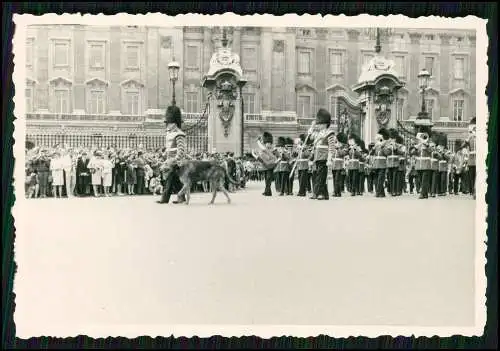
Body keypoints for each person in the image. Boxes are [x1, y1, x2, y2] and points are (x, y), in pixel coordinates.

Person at [157, 105, 187, 204]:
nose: (168, 125)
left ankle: (165, 199)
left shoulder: (179, 133)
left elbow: (181, 150)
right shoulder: (169, 133)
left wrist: (175, 160)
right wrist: (165, 155)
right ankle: (181, 198)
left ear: (174, 123)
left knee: (170, 181)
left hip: (176, 162)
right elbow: (170, 148)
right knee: (175, 181)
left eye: (170, 123)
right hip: (170, 161)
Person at [310, 108, 336, 200]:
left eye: (319, 123)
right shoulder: (318, 134)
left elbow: (332, 148)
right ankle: (324, 194)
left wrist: (329, 159)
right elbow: (310, 137)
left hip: (324, 157)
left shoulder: (330, 133)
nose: (318, 125)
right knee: (317, 175)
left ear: (325, 123)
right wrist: (312, 127)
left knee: (321, 176)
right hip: (317, 158)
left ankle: (319, 193)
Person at [411, 130, 432, 199]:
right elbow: (412, 153)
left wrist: (427, 145)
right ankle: (425, 194)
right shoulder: (418, 146)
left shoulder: (429, 144)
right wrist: (416, 148)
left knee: (424, 180)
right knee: (420, 180)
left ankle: (422, 194)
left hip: (426, 165)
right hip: (419, 165)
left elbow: (431, 150)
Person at [371, 128, 390, 198]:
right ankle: (382, 193)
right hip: (376, 164)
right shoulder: (377, 145)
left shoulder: (386, 145)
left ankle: (378, 192)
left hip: (382, 164)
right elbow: (371, 154)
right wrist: (373, 148)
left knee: (380, 179)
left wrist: (382, 146)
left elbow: (387, 153)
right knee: (376, 179)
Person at [465, 117, 476, 199]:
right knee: (472, 177)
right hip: (471, 161)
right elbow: (462, 146)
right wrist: (467, 140)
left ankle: (476, 191)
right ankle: (472, 191)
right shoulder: (470, 139)